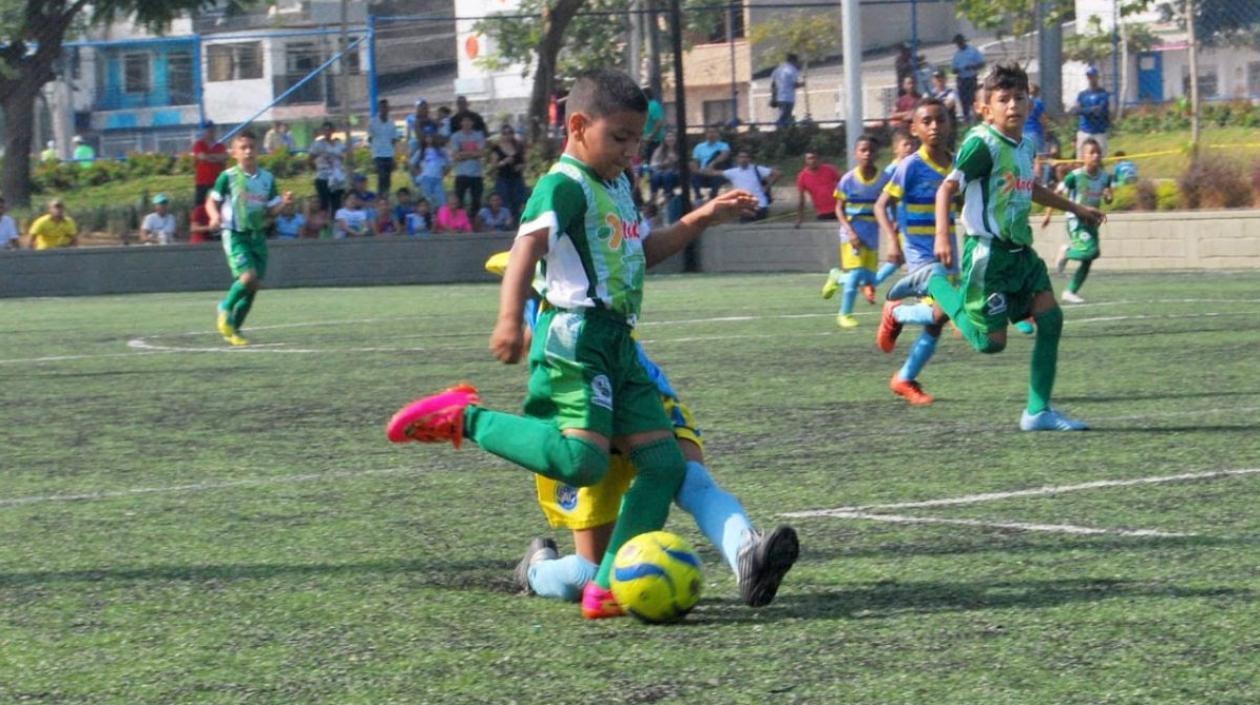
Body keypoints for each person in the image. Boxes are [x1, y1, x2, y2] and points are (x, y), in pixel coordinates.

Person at [385, 69, 759, 620]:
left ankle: (605, 587)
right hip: (575, 339)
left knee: (662, 465)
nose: (631, 151)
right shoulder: (562, 185)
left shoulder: (618, 186)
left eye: (638, 140)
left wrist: (702, 218)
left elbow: (643, 253)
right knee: (583, 464)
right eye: (620, 138)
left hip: (619, 342)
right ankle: (466, 418)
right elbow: (525, 250)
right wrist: (510, 319)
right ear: (579, 125)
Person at [478, 251, 799, 609]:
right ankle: (537, 571)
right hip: (583, 425)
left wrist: (700, 219)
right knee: (589, 574)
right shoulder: (545, 299)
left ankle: (746, 551)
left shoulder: (596, 275)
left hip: (642, 397)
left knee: (691, 478)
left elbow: (640, 247)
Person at [924, 62, 1103, 431]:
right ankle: (935, 284)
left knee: (1051, 319)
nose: (1012, 105)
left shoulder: (1026, 144)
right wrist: (943, 235)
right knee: (991, 344)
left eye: (1019, 97)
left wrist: (1076, 207)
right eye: (1003, 99)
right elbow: (947, 188)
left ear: (1029, 102)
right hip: (988, 254)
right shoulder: (982, 145)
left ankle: (1037, 412)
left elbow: (1030, 187)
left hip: (1021, 254)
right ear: (987, 108)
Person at [873, 98, 958, 405]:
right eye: (927, 121)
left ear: (949, 124)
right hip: (921, 255)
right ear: (915, 129)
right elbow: (881, 205)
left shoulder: (956, 163)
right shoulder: (910, 166)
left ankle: (904, 378)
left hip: (948, 250)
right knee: (946, 309)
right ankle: (896, 311)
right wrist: (893, 243)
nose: (935, 126)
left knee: (936, 322)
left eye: (940, 120)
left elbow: (961, 205)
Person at [206, 129, 293, 346]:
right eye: (242, 148)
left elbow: (270, 211)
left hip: (258, 236)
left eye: (251, 147)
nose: (248, 152)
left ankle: (234, 330)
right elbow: (211, 201)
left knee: (253, 287)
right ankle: (225, 307)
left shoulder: (267, 179)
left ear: (258, 150)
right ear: (234, 152)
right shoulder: (227, 177)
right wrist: (214, 216)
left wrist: (283, 203)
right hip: (235, 235)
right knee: (247, 277)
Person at [826, 136, 890, 329]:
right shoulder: (848, 179)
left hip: (872, 232)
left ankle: (837, 277)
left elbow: (891, 203)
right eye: (863, 150)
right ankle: (844, 314)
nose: (867, 154)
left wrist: (893, 225)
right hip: (852, 231)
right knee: (856, 274)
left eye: (871, 150)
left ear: (877, 153)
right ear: (856, 153)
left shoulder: (884, 179)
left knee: (870, 279)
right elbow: (839, 208)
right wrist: (849, 231)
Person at [1045, 138, 1113, 304]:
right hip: (1075, 219)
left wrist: (1108, 197)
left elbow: (1109, 198)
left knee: (1089, 258)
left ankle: (1070, 291)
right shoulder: (1074, 177)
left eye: (1098, 153)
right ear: (1083, 156)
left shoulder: (1105, 177)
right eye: (1092, 153)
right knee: (1091, 252)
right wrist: (1048, 214)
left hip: (1092, 220)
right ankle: (1066, 253)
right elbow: (1057, 194)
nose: (1096, 156)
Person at [704, 150, 778, 222]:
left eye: (746, 157)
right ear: (737, 159)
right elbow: (710, 172)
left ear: (749, 159)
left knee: (748, 213)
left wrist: (767, 187)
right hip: (744, 205)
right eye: (741, 157)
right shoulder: (733, 172)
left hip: (759, 204)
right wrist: (716, 161)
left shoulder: (757, 169)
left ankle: (752, 215)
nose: (743, 159)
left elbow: (777, 174)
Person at [449, 116, 486, 215]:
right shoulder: (455, 136)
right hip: (461, 174)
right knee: (459, 201)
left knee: (476, 201)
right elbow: (455, 156)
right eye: (464, 121)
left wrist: (463, 154)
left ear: (472, 123)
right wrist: (473, 153)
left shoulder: (478, 135)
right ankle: (461, 222)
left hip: (477, 174)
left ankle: (474, 223)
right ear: (461, 123)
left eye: (469, 121)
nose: (466, 123)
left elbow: (481, 153)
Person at [309, 121, 347, 217]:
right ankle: (325, 226)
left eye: (329, 129)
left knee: (336, 203)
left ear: (333, 130)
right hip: (323, 177)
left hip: (336, 178)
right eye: (325, 130)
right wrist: (317, 169)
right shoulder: (318, 144)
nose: (328, 132)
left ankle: (335, 224)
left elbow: (345, 156)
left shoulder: (338, 143)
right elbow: (310, 159)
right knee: (324, 203)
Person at [1072, 66, 1111, 157]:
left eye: (1093, 76)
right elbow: (1075, 110)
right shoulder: (1082, 95)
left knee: (1100, 158)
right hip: (1084, 130)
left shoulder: (1103, 94)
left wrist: (1084, 110)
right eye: (1089, 77)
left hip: (1099, 131)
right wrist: (1090, 110)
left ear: (1097, 77)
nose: (1091, 79)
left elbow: (1099, 111)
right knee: (1081, 158)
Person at [490, 124, 527, 221]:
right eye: (505, 133)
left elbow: (524, 162)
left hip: (517, 178)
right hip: (503, 178)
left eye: (510, 133)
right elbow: (494, 165)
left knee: (518, 200)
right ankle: (506, 221)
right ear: (501, 135)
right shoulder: (496, 148)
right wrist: (503, 162)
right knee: (504, 200)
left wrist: (521, 166)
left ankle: (516, 221)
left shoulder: (518, 146)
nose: (507, 135)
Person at [795, 152, 841, 227]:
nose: (812, 161)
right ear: (805, 161)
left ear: (819, 159)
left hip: (838, 209)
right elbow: (801, 200)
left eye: (814, 158)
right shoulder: (802, 176)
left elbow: (844, 184)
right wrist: (799, 218)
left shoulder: (830, 170)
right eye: (809, 158)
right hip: (822, 212)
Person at [690, 126, 731, 202]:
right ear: (706, 134)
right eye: (709, 132)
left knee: (717, 178)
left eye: (714, 132)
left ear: (718, 134)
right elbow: (694, 161)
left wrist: (712, 164)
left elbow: (724, 155)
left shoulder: (723, 145)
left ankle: (713, 196)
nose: (711, 134)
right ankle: (698, 196)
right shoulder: (699, 147)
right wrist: (699, 171)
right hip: (703, 172)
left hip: (716, 171)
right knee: (694, 176)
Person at [951, 34, 986, 124]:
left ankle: (977, 119)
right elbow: (953, 69)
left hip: (971, 78)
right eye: (957, 43)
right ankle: (966, 120)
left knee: (973, 100)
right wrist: (956, 70)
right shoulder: (957, 55)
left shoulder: (973, 51)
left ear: (963, 41)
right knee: (964, 101)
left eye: (960, 42)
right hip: (961, 80)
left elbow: (982, 64)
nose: (959, 44)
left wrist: (972, 67)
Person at [368, 99, 399, 196]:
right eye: (382, 107)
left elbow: (393, 139)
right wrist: (373, 150)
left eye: (386, 107)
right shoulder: (373, 122)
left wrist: (394, 155)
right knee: (381, 176)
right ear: (379, 108)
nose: (384, 109)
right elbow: (370, 138)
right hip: (378, 154)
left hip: (389, 154)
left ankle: (386, 196)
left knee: (388, 178)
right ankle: (380, 196)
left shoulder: (391, 122)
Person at [192, 122, 227, 205]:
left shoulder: (220, 146)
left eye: (212, 130)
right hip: (202, 182)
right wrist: (216, 158)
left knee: (219, 204)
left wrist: (209, 157)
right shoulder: (199, 144)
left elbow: (223, 157)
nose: (210, 132)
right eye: (207, 130)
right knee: (200, 205)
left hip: (217, 181)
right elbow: (202, 156)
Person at [410, 133, 449, 208]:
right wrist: (418, 174)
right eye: (427, 137)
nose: (429, 139)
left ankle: (442, 217)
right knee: (427, 201)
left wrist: (444, 173)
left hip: (438, 179)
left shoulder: (440, 151)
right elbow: (411, 163)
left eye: (431, 136)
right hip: (426, 179)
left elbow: (448, 163)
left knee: (442, 201)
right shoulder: (421, 151)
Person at [770, 53, 804, 128]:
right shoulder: (792, 70)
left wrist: (773, 96)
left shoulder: (779, 69)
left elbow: (773, 82)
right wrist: (802, 84)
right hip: (788, 97)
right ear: (793, 60)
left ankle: (782, 129)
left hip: (779, 97)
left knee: (784, 115)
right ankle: (780, 128)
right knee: (785, 117)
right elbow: (794, 84)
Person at [648, 130, 681, 205]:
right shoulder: (659, 150)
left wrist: (675, 161)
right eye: (668, 137)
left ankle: (668, 197)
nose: (670, 139)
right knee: (655, 176)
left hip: (676, 175)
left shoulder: (680, 150)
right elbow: (653, 165)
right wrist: (663, 164)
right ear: (665, 139)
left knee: (667, 175)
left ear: (676, 138)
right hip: (660, 174)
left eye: (672, 136)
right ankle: (653, 199)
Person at [641, 88, 667, 163]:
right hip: (646, 140)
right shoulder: (646, 106)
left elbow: (659, 122)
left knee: (653, 161)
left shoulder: (653, 105)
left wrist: (650, 136)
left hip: (655, 140)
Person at [1024, 83, 1047, 158]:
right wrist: (1045, 130)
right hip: (1035, 131)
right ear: (1037, 92)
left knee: (1025, 155)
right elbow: (1043, 119)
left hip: (1023, 132)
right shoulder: (1038, 102)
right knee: (1039, 156)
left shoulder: (1022, 101)